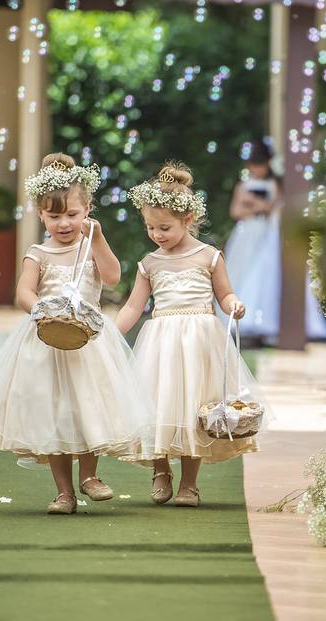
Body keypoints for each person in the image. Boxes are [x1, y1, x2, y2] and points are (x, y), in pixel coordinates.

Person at [0, 153, 150, 515]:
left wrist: (99, 240)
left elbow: (111, 277)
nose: (64, 223)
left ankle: (90, 476)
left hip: (88, 341)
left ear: (87, 210)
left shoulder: (89, 246)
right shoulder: (38, 253)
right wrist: (42, 310)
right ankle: (64, 491)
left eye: (73, 215)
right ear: (40, 214)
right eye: (55, 215)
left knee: (89, 407)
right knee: (56, 414)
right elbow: (23, 294)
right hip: (47, 341)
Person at [116, 161, 269, 508]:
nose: (157, 235)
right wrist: (110, 335)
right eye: (151, 227)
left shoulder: (209, 257)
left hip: (200, 342)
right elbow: (131, 308)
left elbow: (224, 294)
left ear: (187, 220)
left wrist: (234, 305)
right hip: (161, 345)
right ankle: (160, 469)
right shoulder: (149, 263)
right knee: (157, 406)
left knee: (195, 411)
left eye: (165, 227)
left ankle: (189, 483)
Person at [221, 140, 326, 342]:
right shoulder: (243, 186)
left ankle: (261, 320)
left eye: (260, 164)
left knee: (264, 273)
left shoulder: (274, 185)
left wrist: (258, 206)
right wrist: (258, 207)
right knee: (240, 270)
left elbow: (276, 208)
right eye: (253, 164)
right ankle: (235, 317)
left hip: (266, 233)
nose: (257, 169)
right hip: (247, 234)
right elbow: (236, 211)